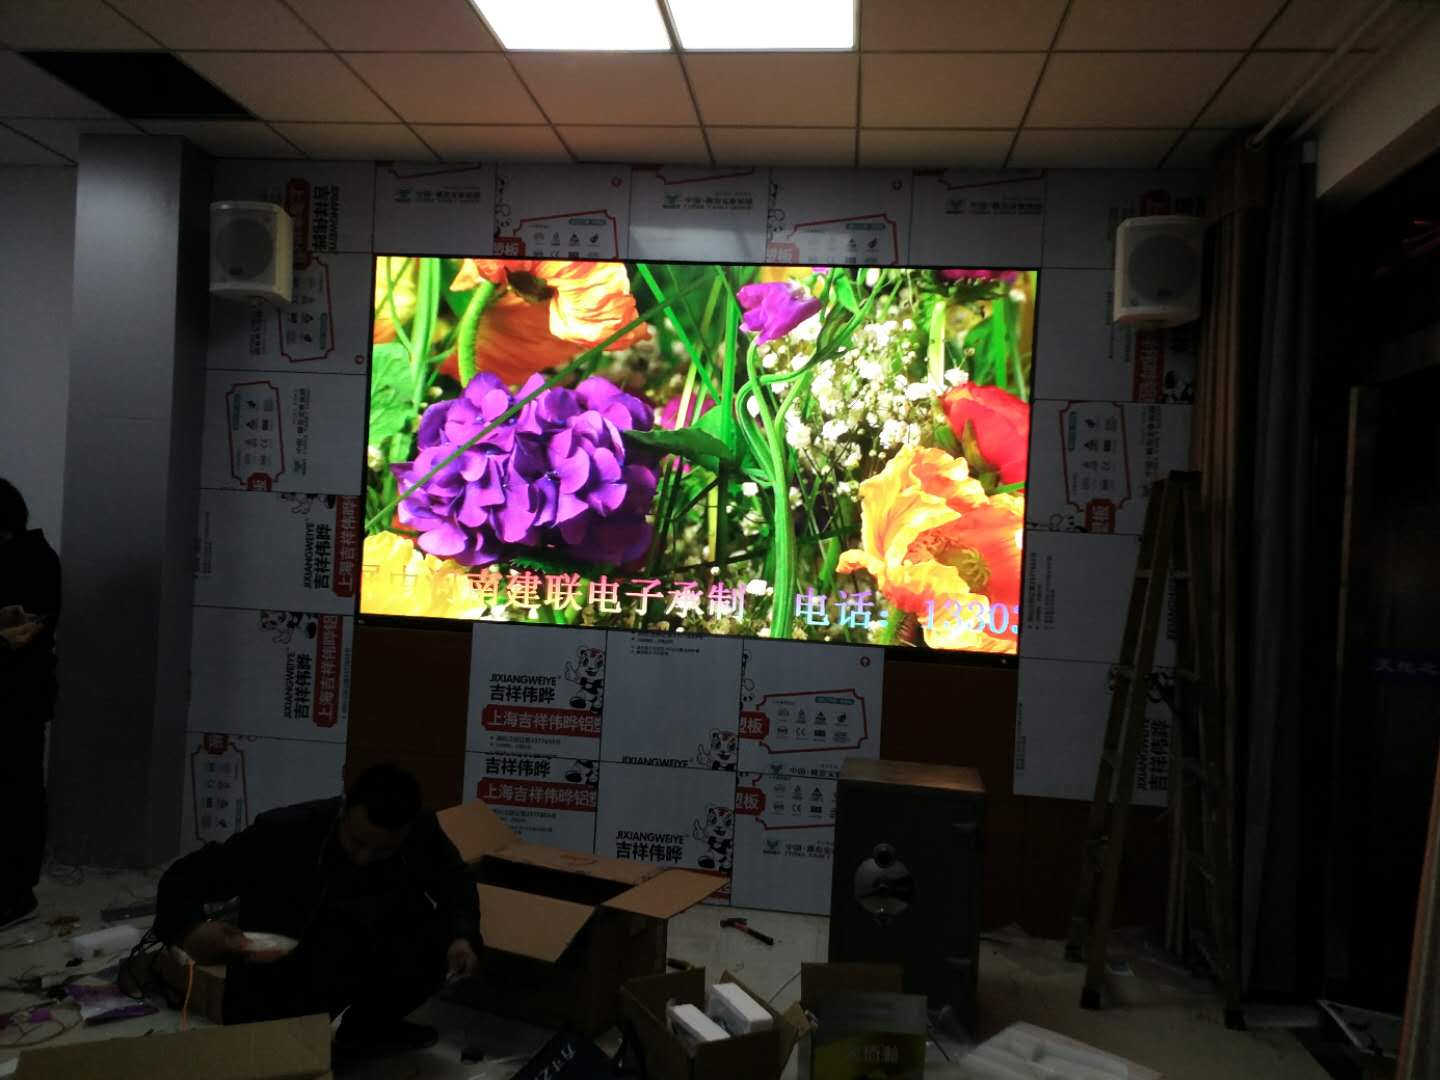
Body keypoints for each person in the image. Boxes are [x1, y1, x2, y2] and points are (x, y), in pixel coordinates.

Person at [153, 763, 482, 1054]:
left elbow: (456, 881)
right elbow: (183, 878)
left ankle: (366, 1030)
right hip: (282, 968)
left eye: (382, 851)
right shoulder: (285, 833)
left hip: (366, 951)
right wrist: (190, 930)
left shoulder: (421, 829)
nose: (363, 858)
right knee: (272, 1055)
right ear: (343, 809)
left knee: (438, 939)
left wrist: (462, 937)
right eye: (357, 842)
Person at [0, 478, 61, 930]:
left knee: (16, 795)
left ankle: (16, 894)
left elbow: (25, 634)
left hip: (16, 700)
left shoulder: (34, 562)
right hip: (19, 694)